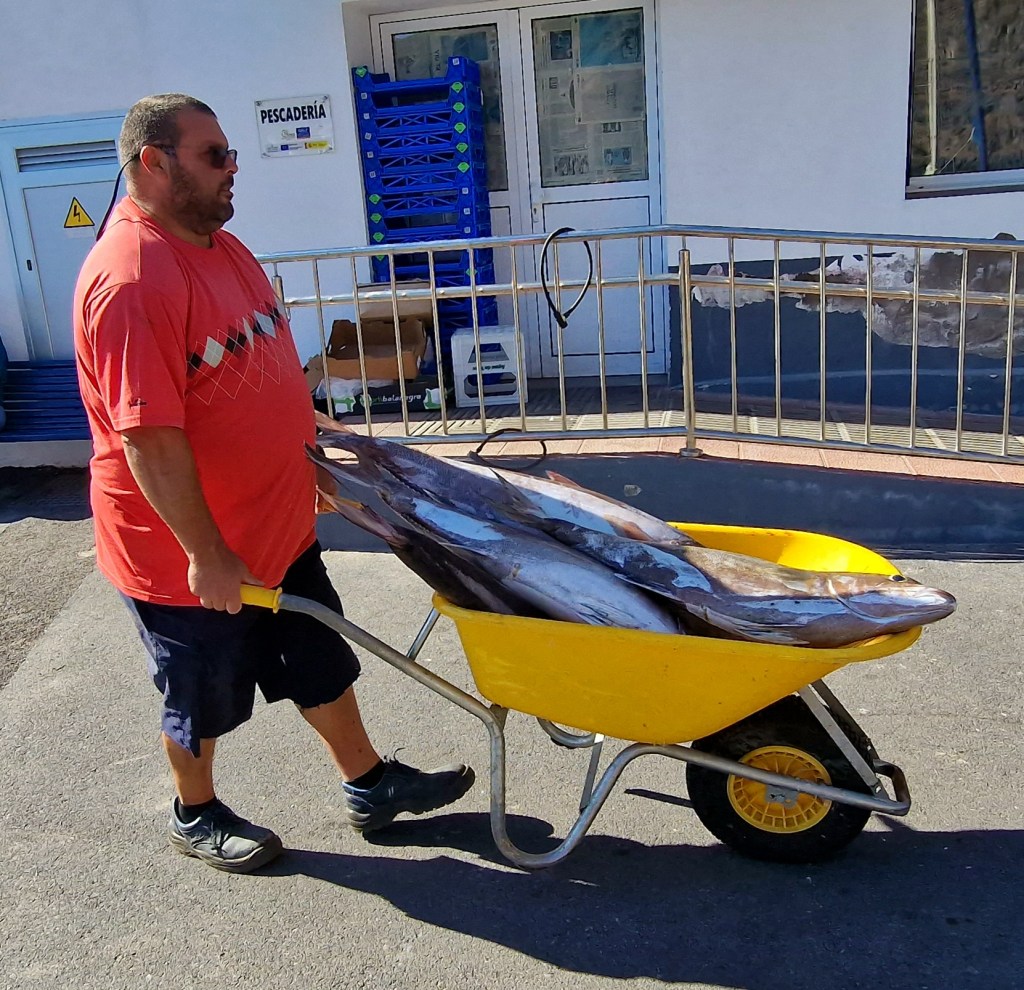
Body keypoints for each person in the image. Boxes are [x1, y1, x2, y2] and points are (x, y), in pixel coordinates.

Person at [73, 94, 474, 874]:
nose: (233, 168)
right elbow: (147, 437)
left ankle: (370, 785)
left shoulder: (225, 249)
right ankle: (194, 811)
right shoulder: (133, 278)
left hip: (276, 527)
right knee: (202, 695)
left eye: (230, 153)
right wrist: (206, 552)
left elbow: (266, 369)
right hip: (188, 560)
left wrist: (307, 461)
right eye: (213, 155)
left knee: (318, 657)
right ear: (153, 163)